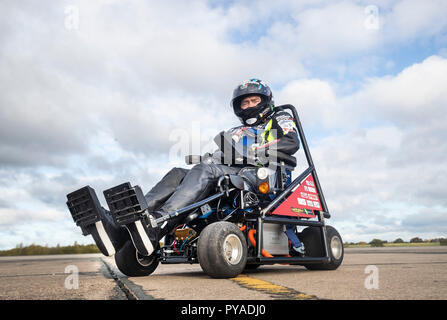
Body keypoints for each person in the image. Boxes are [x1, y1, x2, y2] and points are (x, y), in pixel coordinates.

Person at [70, 79, 303, 257]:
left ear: (265, 101)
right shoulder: (235, 131)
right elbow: (222, 156)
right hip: (231, 171)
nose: (250, 105)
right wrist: (209, 157)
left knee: (204, 171)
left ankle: (157, 221)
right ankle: (127, 227)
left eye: (254, 101)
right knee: (178, 173)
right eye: (245, 102)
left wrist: (256, 151)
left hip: (264, 174)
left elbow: (291, 142)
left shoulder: (279, 117)